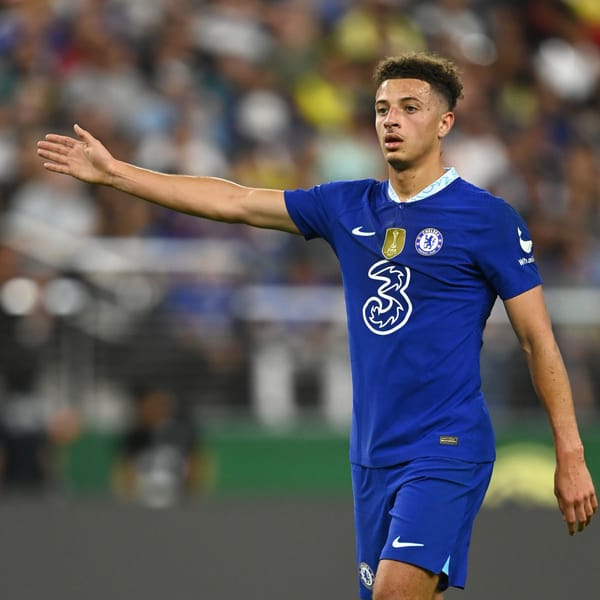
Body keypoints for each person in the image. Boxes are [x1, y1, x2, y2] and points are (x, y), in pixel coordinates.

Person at [37, 51, 597, 600]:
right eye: (382, 110)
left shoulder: (487, 219)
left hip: (446, 444)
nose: (392, 121)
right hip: (372, 452)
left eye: (409, 107)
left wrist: (569, 454)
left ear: (445, 121)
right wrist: (116, 174)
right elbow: (236, 202)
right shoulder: (346, 206)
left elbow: (536, 338)